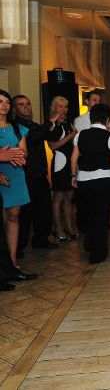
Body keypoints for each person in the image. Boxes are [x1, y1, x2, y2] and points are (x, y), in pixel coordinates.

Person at [70, 104, 110, 264]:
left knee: (90, 213)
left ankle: (89, 244)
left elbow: (74, 159)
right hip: (104, 180)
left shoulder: (81, 135)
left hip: (84, 180)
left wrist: (74, 175)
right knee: (101, 216)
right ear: (107, 119)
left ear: (91, 118)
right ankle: (97, 254)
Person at [13, 95, 58, 254]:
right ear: (14, 109)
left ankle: (41, 239)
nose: (26, 107)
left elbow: (51, 136)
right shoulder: (16, 126)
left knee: (44, 209)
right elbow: (34, 136)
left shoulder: (33, 124)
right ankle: (18, 247)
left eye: (28, 104)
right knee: (25, 213)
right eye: (21, 104)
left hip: (40, 174)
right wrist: (50, 121)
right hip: (26, 175)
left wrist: (56, 123)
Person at [0, 89, 30, 269]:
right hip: (1, 174)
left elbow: (24, 152)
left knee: (14, 216)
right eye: (0, 102)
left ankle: (12, 261)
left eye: (7, 102)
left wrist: (17, 154)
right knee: (2, 220)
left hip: (16, 174)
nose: (4, 105)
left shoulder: (17, 128)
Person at [47, 96, 79, 242]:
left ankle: (69, 227)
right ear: (54, 108)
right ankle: (58, 229)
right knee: (58, 197)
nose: (63, 109)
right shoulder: (51, 124)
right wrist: (70, 136)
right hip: (59, 164)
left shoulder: (68, 123)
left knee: (69, 197)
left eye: (65, 106)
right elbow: (52, 146)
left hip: (70, 163)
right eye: (60, 106)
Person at [74, 90, 101, 233]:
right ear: (87, 101)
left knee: (99, 198)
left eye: (98, 100)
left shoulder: (104, 118)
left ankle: (99, 223)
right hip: (86, 161)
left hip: (101, 162)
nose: (97, 103)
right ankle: (84, 225)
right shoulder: (80, 120)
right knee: (85, 197)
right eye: (94, 100)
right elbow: (82, 142)